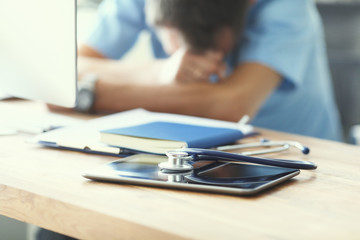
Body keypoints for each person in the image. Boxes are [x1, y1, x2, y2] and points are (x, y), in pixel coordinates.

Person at [70, 0, 342, 141]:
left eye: (216, 52)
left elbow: (232, 106)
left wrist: (91, 94)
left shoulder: (286, 7)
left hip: (293, 156)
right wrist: (158, 73)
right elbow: (72, 67)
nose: (208, 65)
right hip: (185, 147)